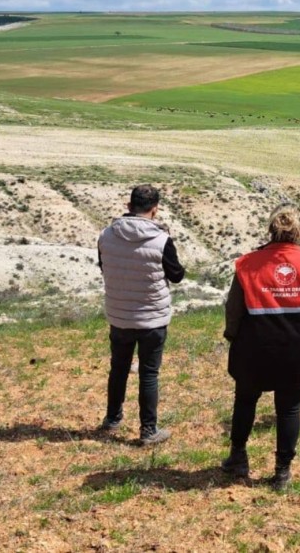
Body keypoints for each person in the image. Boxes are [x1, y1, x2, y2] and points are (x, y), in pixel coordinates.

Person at [222, 204, 300, 490]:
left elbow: (234, 309)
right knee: (289, 408)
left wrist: (232, 336)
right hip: (299, 349)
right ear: (299, 233)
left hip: (255, 347)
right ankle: (282, 471)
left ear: (271, 230)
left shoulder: (247, 264)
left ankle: (238, 457)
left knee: (246, 399)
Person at [97, 184, 184, 445]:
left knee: (119, 368)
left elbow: (104, 267)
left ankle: (112, 419)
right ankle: (148, 430)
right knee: (149, 373)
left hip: (120, 314)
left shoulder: (106, 235)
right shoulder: (161, 240)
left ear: (128, 206)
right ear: (155, 210)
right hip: (152, 317)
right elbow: (177, 275)